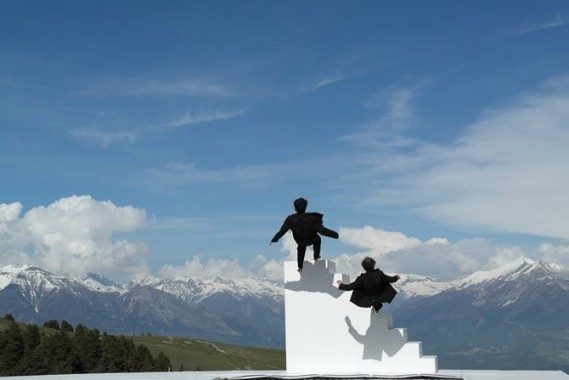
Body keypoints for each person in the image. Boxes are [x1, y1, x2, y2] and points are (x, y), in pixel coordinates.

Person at [271, 197, 339, 272]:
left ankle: (300, 267)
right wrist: (335, 235)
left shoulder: (291, 219)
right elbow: (322, 231)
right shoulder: (313, 218)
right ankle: (316, 256)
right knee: (318, 239)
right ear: (305, 207)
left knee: (301, 247)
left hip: (299, 240)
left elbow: (282, 231)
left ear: (295, 208)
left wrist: (275, 238)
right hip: (311, 239)